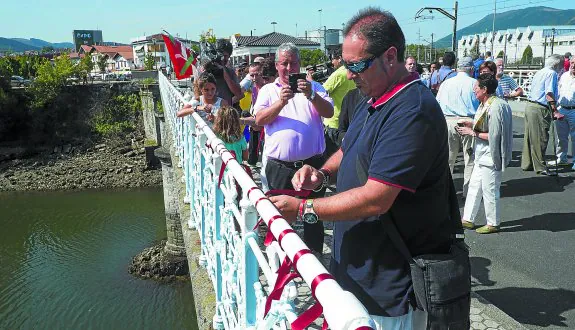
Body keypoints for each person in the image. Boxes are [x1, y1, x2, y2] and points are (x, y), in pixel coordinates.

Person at [270, 7, 466, 328]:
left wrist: (305, 208)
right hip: (358, 276)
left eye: (356, 65)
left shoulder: (411, 110)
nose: (348, 74)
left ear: (390, 57)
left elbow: (378, 198)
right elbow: (348, 147)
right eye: (345, 64)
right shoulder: (373, 98)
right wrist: (323, 174)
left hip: (389, 290)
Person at [253, 42, 334, 254]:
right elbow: (260, 119)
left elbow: (330, 113)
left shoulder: (314, 87)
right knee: (281, 216)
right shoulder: (268, 90)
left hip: (313, 164)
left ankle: (314, 257)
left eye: (294, 63)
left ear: (300, 64)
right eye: (284, 63)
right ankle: (283, 260)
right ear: (277, 65)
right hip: (280, 167)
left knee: (313, 214)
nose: (289, 68)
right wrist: (280, 103)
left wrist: (312, 96)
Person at [457, 74, 513, 234]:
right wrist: (472, 124)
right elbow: (485, 126)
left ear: (485, 89)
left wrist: (472, 132)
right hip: (481, 155)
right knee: (474, 186)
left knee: (490, 190)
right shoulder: (485, 104)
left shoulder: (496, 106)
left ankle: (493, 223)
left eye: (477, 87)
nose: (474, 90)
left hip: (490, 156)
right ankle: (468, 219)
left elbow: (495, 136)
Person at [436, 56, 480, 196]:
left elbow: (438, 103)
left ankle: (445, 190)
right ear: (471, 69)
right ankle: (468, 191)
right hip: (469, 121)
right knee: (470, 158)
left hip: (448, 121)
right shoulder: (475, 83)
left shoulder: (446, 84)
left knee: (449, 158)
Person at [521, 54, 565, 175]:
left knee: (530, 136)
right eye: (561, 65)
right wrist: (555, 111)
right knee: (541, 137)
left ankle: (528, 163)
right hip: (540, 108)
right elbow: (549, 93)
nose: (562, 68)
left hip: (530, 105)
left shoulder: (540, 72)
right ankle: (541, 166)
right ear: (556, 64)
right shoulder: (552, 73)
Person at [322, 50, 357, 157]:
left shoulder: (338, 74)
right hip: (350, 121)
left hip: (334, 123)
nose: (332, 62)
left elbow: (321, 92)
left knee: (332, 158)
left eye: (333, 59)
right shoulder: (355, 71)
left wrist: (311, 82)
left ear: (340, 59)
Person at [553, 55, 575, 169]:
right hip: (561, 108)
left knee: (574, 137)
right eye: (572, 63)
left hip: (574, 110)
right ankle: (562, 158)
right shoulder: (564, 75)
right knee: (561, 136)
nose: (573, 65)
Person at [212, 39, 242, 105]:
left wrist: (224, 72)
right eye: (220, 55)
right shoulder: (208, 70)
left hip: (225, 112)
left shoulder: (230, 72)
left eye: (225, 56)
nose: (222, 59)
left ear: (229, 56)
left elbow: (239, 94)